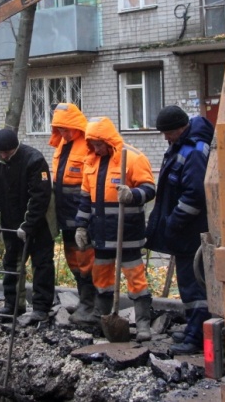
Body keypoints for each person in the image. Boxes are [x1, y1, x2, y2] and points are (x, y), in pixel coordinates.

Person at [75, 117, 156, 341]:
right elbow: (84, 200)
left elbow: (149, 189)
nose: (96, 148)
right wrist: (81, 227)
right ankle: (102, 319)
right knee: (101, 278)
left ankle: (142, 325)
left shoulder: (132, 158)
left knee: (136, 279)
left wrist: (132, 194)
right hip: (101, 235)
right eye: (92, 144)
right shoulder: (90, 161)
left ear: (108, 140)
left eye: (99, 144)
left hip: (126, 234)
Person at [146, 106, 215, 355]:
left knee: (194, 286)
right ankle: (192, 328)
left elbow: (195, 195)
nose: (165, 138)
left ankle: (197, 338)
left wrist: (174, 222)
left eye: (167, 133)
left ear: (180, 128)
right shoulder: (182, 146)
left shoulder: (194, 151)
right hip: (186, 231)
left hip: (190, 232)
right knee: (188, 284)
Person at [0, 128, 55, 322]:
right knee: (12, 263)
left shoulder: (34, 160)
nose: (4, 156)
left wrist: (28, 224)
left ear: (16, 148)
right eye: (1, 153)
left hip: (39, 223)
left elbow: (40, 196)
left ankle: (41, 307)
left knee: (42, 264)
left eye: (8, 152)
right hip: (10, 220)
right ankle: (13, 304)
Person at [48, 103, 99, 325]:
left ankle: (91, 305)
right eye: (59, 129)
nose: (63, 133)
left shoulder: (88, 145)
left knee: (87, 259)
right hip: (65, 216)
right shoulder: (62, 145)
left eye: (66, 129)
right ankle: (84, 302)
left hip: (83, 215)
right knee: (74, 261)